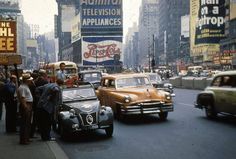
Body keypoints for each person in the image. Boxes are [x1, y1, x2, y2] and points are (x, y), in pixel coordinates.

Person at [30, 69, 48, 138]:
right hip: (42, 102)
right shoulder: (45, 82)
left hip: (35, 102)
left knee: (35, 118)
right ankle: (42, 132)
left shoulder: (35, 81)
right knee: (43, 118)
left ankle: (32, 133)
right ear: (43, 75)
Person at [18, 74, 34, 145]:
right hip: (26, 105)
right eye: (30, 80)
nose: (31, 81)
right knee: (25, 123)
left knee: (27, 123)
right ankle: (24, 140)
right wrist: (26, 107)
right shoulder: (23, 87)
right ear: (27, 80)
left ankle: (26, 138)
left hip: (28, 105)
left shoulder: (25, 86)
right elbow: (22, 98)